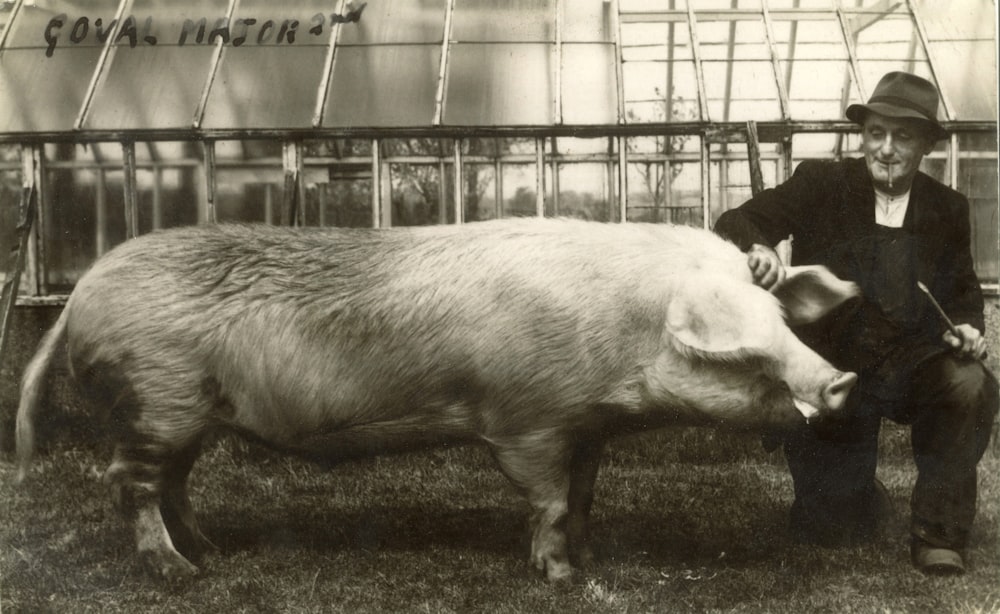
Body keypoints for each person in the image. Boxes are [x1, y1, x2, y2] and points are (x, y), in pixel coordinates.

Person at [713, 71, 998, 575]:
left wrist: (968, 328)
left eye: (902, 137)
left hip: (911, 364)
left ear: (926, 145)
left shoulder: (947, 208)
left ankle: (939, 534)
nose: (885, 150)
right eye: (875, 134)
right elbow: (736, 219)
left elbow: (963, 294)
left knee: (969, 383)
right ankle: (857, 496)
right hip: (833, 368)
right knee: (834, 531)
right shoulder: (822, 184)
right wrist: (758, 246)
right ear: (863, 137)